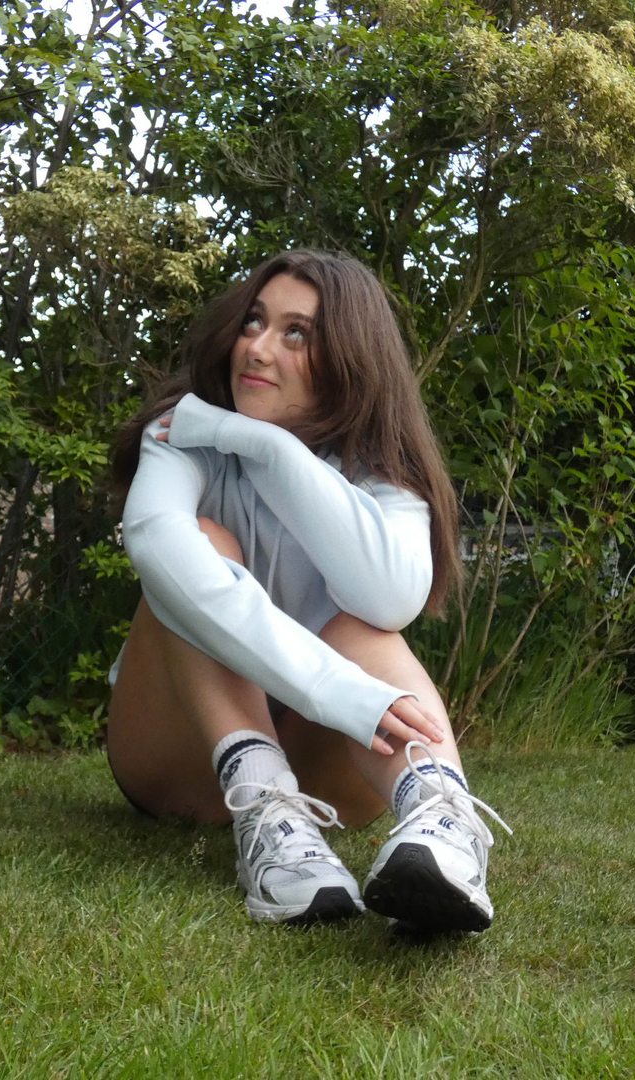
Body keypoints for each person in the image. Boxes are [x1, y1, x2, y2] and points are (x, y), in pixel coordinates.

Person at [107, 249, 509, 933]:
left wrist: (264, 445)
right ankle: (268, 813)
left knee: (363, 624)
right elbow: (154, 542)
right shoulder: (181, 437)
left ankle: (441, 823)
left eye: (297, 333)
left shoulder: (378, 470)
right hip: (185, 759)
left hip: (339, 767)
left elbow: (391, 597)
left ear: (350, 358)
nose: (257, 348)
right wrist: (345, 695)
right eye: (255, 322)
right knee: (196, 554)